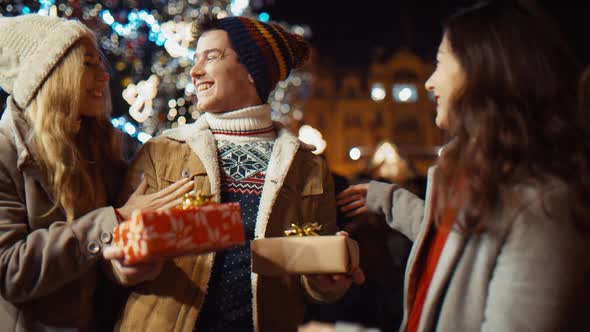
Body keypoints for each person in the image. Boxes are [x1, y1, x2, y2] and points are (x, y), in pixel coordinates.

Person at [307, 1, 590, 331]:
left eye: (440, 62)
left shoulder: (544, 208)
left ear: (482, 71)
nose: (428, 82)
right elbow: (452, 243)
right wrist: (387, 199)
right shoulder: (479, 176)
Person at [105, 14, 362, 332]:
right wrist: (128, 265)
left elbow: (310, 278)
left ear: (254, 73)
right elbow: (115, 254)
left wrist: (328, 282)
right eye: (195, 59)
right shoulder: (161, 151)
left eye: (211, 57)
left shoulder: (307, 167)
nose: (195, 71)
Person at [0, 15, 193, 331]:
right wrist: (115, 219)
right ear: (48, 75)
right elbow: (11, 271)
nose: (104, 76)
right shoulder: (5, 153)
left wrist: (123, 267)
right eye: (88, 64)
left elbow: (100, 257)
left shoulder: (99, 145)